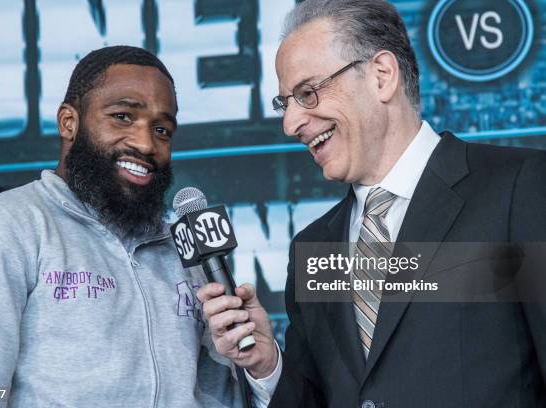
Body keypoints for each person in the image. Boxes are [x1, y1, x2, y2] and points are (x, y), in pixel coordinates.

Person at [198, 1, 546, 407]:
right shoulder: (312, 249)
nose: (290, 123)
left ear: (382, 76)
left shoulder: (520, 189)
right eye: (285, 103)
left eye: (306, 93)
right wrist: (267, 364)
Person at [0, 46, 269, 407]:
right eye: (123, 116)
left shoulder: (184, 252)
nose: (145, 143)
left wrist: (261, 370)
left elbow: (223, 396)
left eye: (162, 129)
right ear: (69, 123)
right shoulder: (4, 226)